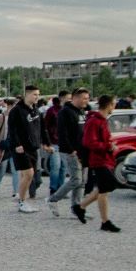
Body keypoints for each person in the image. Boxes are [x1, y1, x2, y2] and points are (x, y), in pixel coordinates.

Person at [77, 93, 122, 232]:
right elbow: (89, 142)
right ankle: (105, 221)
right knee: (105, 189)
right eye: (114, 104)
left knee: (104, 188)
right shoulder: (95, 121)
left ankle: (80, 207)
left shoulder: (102, 120)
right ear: (108, 105)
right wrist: (107, 146)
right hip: (98, 160)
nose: (114, 106)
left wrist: (110, 144)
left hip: (104, 159)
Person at [46, 88, 88, 217]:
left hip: (83, 151)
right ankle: (53, 199)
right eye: (84, 98)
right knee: (76, 179)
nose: (86, 101)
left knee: (82, 181)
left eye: (87, 98)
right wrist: (71, 150)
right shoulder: (65, 112)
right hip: (71, 151)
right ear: (75, 98)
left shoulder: (81, 111)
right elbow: (62, 134)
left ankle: (76, 207)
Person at [7, 85, 45, 214]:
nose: (37, 97)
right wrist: (17, 144)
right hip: (20, 148)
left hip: (33, 147)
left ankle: (23, 197)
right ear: (27, 95)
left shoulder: (36, 110)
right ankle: (22, 202)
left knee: (27, 175)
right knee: (28, 174)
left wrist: (45, 143)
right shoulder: (16, 111)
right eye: (35, 94)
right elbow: (12, 129)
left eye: (38, 95)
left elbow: (40, 128)